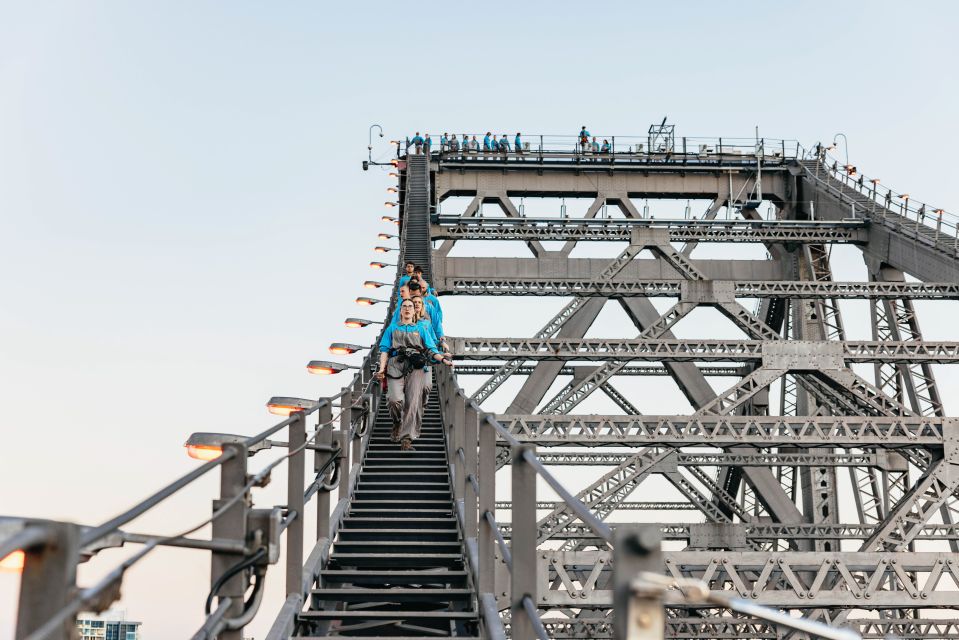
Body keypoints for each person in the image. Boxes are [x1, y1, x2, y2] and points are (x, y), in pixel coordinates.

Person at [376, 299, 451, 449]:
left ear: (414, 310)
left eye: (410, 306)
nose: (408, 309)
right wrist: (381, 369)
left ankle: (406, 438)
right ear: (401, 310)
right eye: (404, 306)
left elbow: (431, 349)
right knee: (394, 399)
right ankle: (397, 421)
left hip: (415, 366)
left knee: (412, 402)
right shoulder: (392, 329)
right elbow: (384, 349)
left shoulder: (421, 328)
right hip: (395, 364)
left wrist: (442, 359)